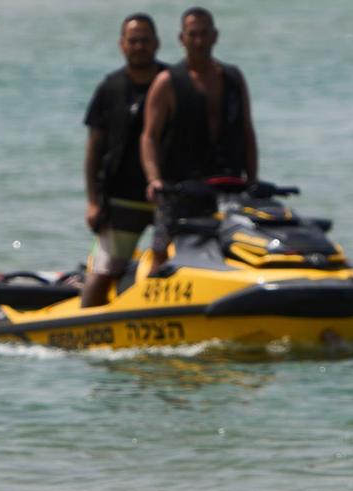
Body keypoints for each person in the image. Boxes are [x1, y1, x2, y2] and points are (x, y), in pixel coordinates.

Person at [140, 7, 258, 272]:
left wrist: (252, 179)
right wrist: (154, 179)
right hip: (179, 188)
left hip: (228, 184)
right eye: (193, 34)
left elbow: (247, 132)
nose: (199, 41)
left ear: (215, 36)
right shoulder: (167, 82)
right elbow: (149, 137)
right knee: (162, 248)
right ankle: (152, 286)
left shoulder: (233, 78)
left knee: (234, 246)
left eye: (205, 34)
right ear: (182, 38)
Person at [81, 13, 167, 307]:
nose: (139, 46)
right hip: (120, 198)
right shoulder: (110, 87)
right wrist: (93, 201)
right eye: (133, 41)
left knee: (169, 268)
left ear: (156, 43)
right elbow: (94, 149)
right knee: (104, 271)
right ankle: (85, 323)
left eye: (145, 40)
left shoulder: (171, 82)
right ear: (122, 45)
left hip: (165, 196)